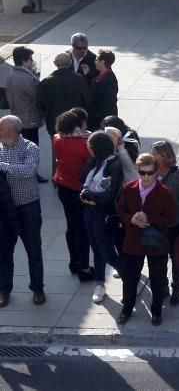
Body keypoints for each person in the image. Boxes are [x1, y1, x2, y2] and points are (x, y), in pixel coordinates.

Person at [115, 153, 176, 326]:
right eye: (143, 173)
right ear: (137, 170)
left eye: (150, 173)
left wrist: (149, 217)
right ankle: (127, 309)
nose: (146, 177)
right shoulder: (129, 188)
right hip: (133, 242)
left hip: (156, 243)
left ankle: (156, 311)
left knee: (157, 279)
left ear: (156, 172)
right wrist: (130, 220)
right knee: (130, 278)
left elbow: (171, 217)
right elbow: (121, 210)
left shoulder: (164, 192)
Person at [0, 115, 45, 307]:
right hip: (4, 209)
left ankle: (37, 288)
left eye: (1, 130)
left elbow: (28, 170)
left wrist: (3, 166)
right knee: (3, 251)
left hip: (28, 207)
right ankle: (3, 289)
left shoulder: (30, 148)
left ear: (11, 132)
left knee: (33, 250)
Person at [79, 130, 124, 304]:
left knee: (107, 252)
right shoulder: (96, 161)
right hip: (89, 211)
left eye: (90, 146)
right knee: (96, 249)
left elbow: (110, 194)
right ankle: (100, 284)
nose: (88, 149)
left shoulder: (114, 164)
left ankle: (129, 279)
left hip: (103, 213)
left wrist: (91, 195)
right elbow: (82, 177)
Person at [52, 110, 93, 280]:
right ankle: (84, 268)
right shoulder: (84, 144)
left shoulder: (56, 139)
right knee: (83, 229)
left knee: (71, 226)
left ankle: (74, 263)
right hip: (80, 189)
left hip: (63, 185)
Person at [151, 141, 179, 306]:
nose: (152, 157)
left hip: (175, 226)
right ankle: (163, 287)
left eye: (156, 154)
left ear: (166, 156)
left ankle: (177, 289)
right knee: (159, 261)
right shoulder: (150, 173)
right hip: (157, 227)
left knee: (177, 260)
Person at [36, 53, 91, 138]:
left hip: (55, 124)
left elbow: (40, 104)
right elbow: (87, 100)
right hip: (76, 124)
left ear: (55, 63)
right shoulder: (79, 79)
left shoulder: (46, 82)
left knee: (58, 148)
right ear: (70, 63)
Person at [5, 46, 41, 148]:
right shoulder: (27, 78)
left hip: (17, 118)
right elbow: (37, 97)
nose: (32, 61)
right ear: (23, 61)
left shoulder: (12, 73)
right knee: (31, 150)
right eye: (30, 58)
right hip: (29, 121)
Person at [88, 49, 118, 131]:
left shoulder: (108, 80)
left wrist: (102, 120)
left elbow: (108, 102)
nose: (95, 62)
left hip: (101, 120)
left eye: (97, 60)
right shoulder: (101, 75)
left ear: (103, 62)